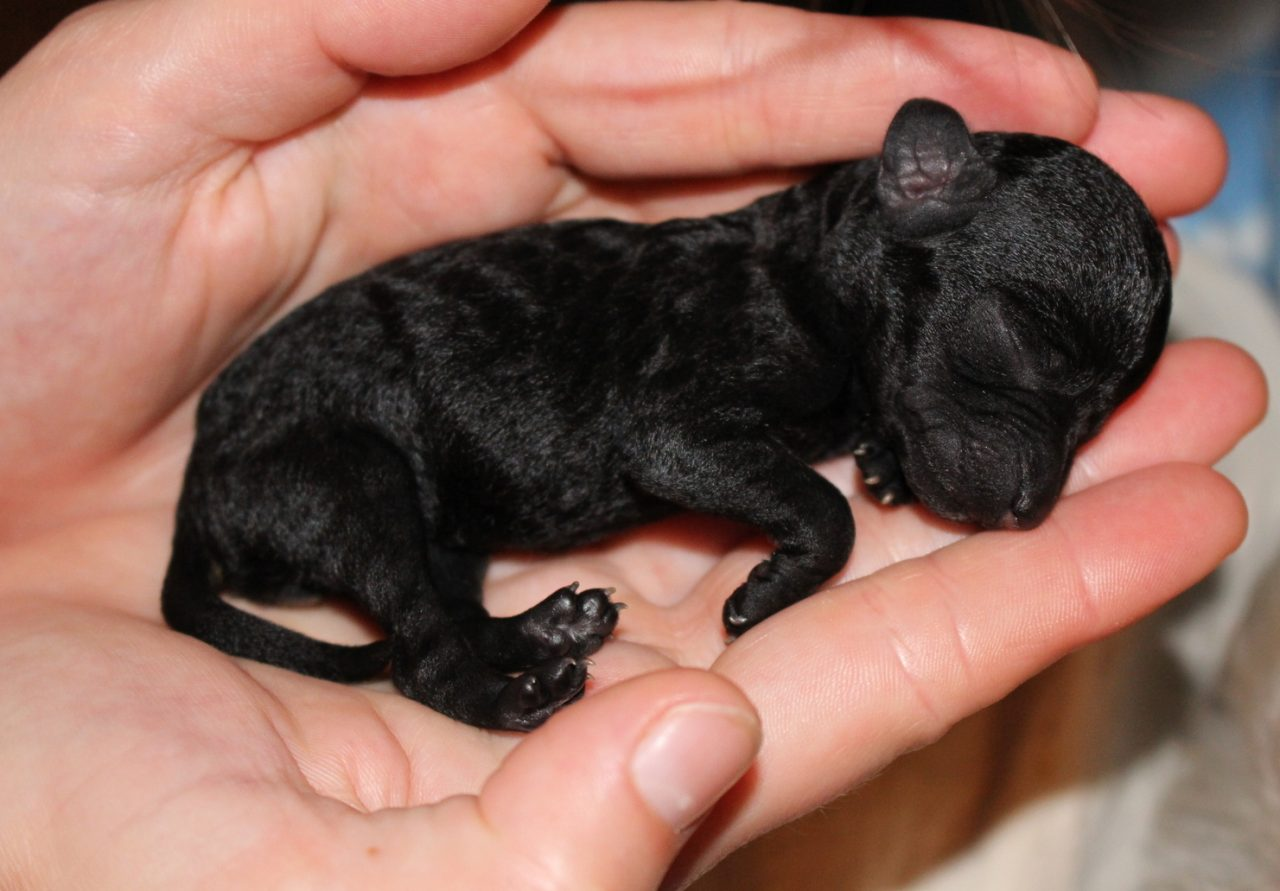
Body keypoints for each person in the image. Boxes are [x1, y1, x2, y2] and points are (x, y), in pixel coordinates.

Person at [0, 0, 1264, 887]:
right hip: (303, 440)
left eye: (1081, 413)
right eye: (1017, 373)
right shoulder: (752, 306)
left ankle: (459, 627)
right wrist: (812, 525)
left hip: (443, 479)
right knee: (384, 501)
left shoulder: (845, 329)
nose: (1036, 475)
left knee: (430, 527)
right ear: (911, 198)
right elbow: (666, 434)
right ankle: (448, 658)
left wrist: (896, 427)